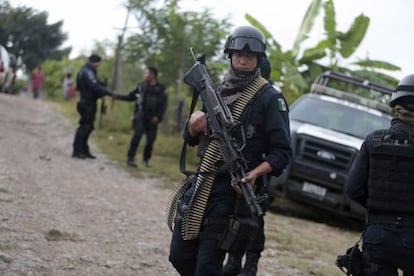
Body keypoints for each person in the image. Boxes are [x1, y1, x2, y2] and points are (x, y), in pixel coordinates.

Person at [168, 25, 292, 276]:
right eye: (238, 54)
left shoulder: (270, 98)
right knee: (179, 257)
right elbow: (190, 138)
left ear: (258, 59)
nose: (243, 59)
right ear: (230, 56)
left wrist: (256, 173)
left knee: (207, 267)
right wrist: (193, 125)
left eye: (250, 56)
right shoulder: (216, 92)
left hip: (232, 194)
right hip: (202, 186)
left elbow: (282, 152)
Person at [345, 74, 414, 275]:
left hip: (377, 235)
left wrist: (380, 208)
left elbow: (353, 189)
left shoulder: (374, 140)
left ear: (396, 103)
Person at [222, 55, 274, 276]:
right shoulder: (232, 92)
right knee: (231, 217)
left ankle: (251, 264)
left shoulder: (270, 99)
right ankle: (233, 261)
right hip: (232, 169)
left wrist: (259, 171)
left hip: (257, 173)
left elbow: (279, 148)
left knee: (254, 218)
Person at [115, 66, 168, 168]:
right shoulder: (141, 86)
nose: (146, 75)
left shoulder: (161, 88)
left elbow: (164, 104)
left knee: (150, 140)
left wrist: (158, 117)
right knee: (136, 137)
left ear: (153, 75)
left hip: (153, 119)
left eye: (147, 73)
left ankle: (146, 160)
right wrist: (117, 96)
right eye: (145, 73)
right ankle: (130, 159)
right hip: (141, 116)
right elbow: (130, 97)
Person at [72, 54, 116, 159]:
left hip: (89, 102)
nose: (99, 66)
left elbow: (95, 84)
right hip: (86, 103)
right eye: (98, 63)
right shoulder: (87, 72)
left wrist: (102, 87)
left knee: (89, 127)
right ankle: (77, 151)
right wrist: (108, 93)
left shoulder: (88, 71)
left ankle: (84, 150)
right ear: (95, 62)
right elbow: (94, 86)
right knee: (84, 127)